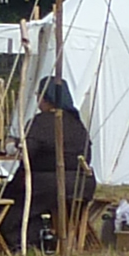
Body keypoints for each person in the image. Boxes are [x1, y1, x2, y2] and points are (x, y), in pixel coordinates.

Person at [21, 76, 90, 247]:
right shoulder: (77, 123)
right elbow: (88, 157)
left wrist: (15, 146)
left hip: (51, 185)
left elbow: (27, 155)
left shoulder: (40, 122)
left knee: (15, 198)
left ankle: (28, 240)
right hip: (83, 184)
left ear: (45, 97)